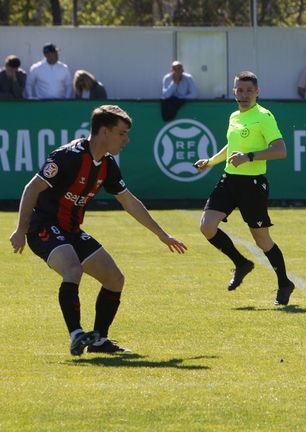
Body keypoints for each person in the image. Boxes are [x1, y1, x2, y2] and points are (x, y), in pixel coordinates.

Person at [9, 105, 187, 356]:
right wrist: (20, 230)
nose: (126, 139)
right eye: (122, 133)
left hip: (71, 229)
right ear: (105, 132)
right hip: (43, 226)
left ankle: (99, 340)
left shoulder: (108, 165)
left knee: (115, 279)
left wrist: (161, 234)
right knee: (73, 268)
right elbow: (31, 188)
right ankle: (76, 335)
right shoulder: (68, 157)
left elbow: (129, 202)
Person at [193, 71, 295, 305]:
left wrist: (249, 156)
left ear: (258, 92)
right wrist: (210, 161)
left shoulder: (264, 116)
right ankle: (241, 263)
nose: (244, 94)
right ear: (234, 92)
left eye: (249, 90)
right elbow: (232, 146)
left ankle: (284, 283)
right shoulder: (234, 116)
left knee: (262, 240)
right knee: (207, 227)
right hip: (229, 180)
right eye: (240, 90)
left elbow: (280, 150)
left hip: (253, 185)